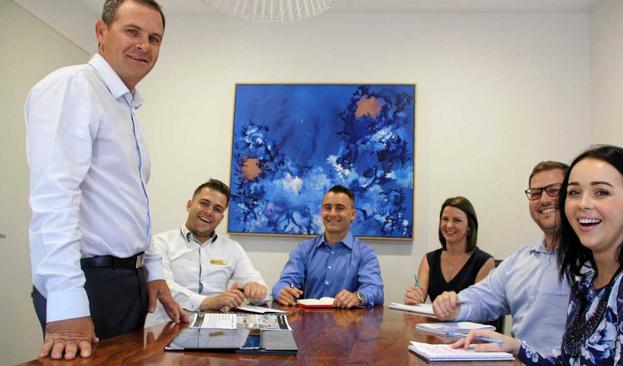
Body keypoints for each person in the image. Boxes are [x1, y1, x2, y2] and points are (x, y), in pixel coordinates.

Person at [25, 0, 187, 360]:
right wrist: (67, 306)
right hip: (87, 283)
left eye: (154, 38)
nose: (144, 45)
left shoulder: (126, 109)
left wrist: (154, 272)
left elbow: (133, 206)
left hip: (127, 283)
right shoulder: (72, 87)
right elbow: (55, 200)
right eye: (132, 31)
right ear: (101, 32)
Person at [456, 145, 623, 364]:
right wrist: (516, 347)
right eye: (574, 193)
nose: (584, 204)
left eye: (601, 192)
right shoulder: (586, 283)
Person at [432, 161, 571, 356]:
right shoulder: (521, 259)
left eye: (554, 191)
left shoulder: (593, 262)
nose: (544, 200)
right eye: (536, 193)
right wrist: (453, 306)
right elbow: (482, 297)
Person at [147, 179, 270, 325]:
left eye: (217, 209)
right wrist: (208, 302)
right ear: (189, 205)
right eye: (204, 203)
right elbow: (164, 287)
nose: (209, 212)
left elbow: (261, 289)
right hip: (168, 326)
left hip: (216, 330)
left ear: (222, 217)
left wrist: (256, 290)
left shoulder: (232, 248)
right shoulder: (160, 242)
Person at [272, 185, 384, 308]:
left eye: (339, 208)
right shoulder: (303, 249)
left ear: (353, 214)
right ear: (321, 212)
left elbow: (375, 289)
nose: (332, 213)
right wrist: (282, 291)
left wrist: (358, 297)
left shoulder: (365, 253)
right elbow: (284, 282)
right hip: (308, 324)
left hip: (349, 324)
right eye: (327, 208)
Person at [403, 196, 495, 304]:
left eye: (457, 220)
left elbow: (480, 308)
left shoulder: (484, 262)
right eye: (445, 219)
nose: (449, 225)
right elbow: (420, 297)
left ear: (469, 227)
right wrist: (414, 299)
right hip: (432, 321)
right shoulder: (429, 260)